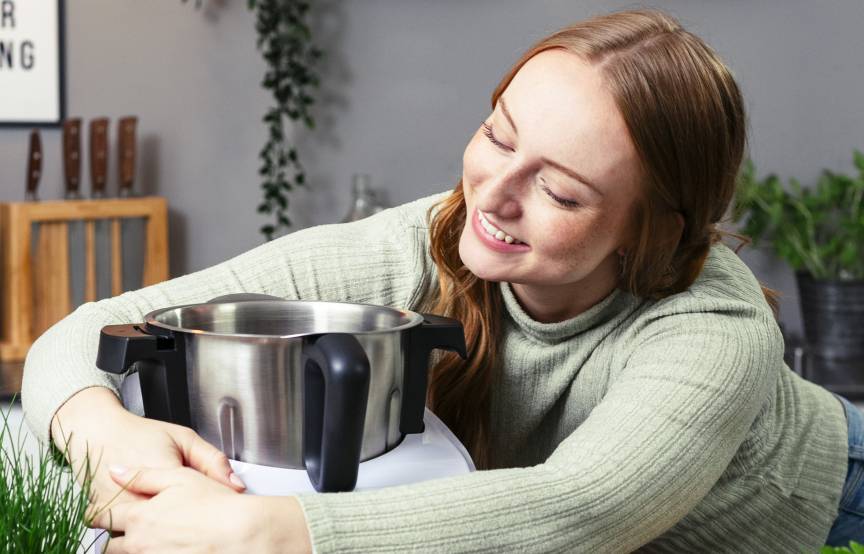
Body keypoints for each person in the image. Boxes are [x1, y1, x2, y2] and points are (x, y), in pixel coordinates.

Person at [21, 8, 864, 552]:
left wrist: (265, 536)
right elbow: (85, 330)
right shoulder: (435, 235)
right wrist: (106, 434)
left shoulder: (712, 328)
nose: (493, 196)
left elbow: (582, 510)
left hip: (838, 500)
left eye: (561, 190)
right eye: (499, 135)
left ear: (652, 231)